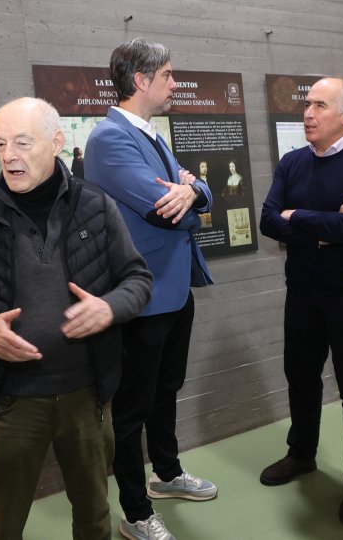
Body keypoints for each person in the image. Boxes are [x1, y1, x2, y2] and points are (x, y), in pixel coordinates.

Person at [0, 97, 152, 540]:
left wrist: (109, 307)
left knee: (93, 518)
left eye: (22, 142)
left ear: (56, 142)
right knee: (2, 526)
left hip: (87, 401)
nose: (8, 155)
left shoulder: (96, 204)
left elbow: (138, 279)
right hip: (11, 402)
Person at [84, 39, 217, 540]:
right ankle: (136, 513)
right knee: (132, 407)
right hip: (141, 296)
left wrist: (192, 189)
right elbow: (168, 205)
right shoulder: (110, 138)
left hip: (174, 290)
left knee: (166, 389)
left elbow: (194, 192)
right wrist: (189, 191)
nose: (175, 84)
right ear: (141, 81)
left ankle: (167, 474)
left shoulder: (150, 135)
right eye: (168, 75)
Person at [258, 76, 343, 527]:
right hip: (303, 291)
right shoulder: (293, 163)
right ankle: (302, 454)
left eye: (319, 105)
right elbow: (269, 222)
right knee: (300, 376)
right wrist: (327, 224)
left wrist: (304, 219)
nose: (308, 113)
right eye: (306, 104)